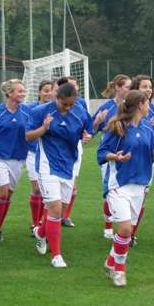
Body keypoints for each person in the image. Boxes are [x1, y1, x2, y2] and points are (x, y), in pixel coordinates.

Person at [98, 90, 154, 286]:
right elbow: (101, 152)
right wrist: (117, 157)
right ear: (140, 104)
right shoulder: (118, 127)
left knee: (127, 233)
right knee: (124, 229)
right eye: (147, 102)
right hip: (118, 186)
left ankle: (110, 261)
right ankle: (120, 271)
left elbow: (152, 154)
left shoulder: (148, 129)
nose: (149, 106)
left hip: (139, 186)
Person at [27, 82, 92, 268]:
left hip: (68, 166)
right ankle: (56, 255)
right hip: (47, 166)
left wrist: (86, 136)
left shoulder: (79, 111)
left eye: (71, 104)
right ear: (58, 98)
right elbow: (28, 136)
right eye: (65, 104)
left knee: (60, 210)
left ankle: (40, 233)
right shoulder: (41, 112)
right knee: (54, 208)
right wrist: (43, 129)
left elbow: (89, 130)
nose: (69, 108)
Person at [0, 79, 31, 245]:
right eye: (19, 91)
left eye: (23, 91)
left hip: (18, 158)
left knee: (8, 196)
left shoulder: (27, 112)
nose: (22, 93)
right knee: (3, 193)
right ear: (9, 93)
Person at [128, 75, 154, 246]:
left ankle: (131, 234)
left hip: (148, 161)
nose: (148, 89)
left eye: (150, 86)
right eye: (144, 86)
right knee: (124, 195)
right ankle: (119, 227)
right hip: (127, 160)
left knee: (141, 196)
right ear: (136, 89)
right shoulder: (127, 109)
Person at [92, 74, 131, 239]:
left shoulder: (131, 107)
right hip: (110, 155)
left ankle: (125, 223)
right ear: (117, 88)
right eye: (128, 87)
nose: (130, 90)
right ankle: (108, 226)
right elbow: (91, 132)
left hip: (128, 155)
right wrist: (97, 121)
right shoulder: (106, 107)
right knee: (110, 188)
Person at [55, 76, 93, 228]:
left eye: (75, 85)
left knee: (72, 187)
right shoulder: (52, 107)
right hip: (54, 150)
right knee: (52, 192)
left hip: (74, 147)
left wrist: (87, 134)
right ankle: (44, 223)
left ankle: (64, 216)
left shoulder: (81, 104)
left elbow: (88, 126)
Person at [26, 80, 54, 234]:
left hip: (50, 154)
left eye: (51, 90)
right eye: (45, 90)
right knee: (37, 189)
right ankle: (35, 223)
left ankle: (44, 223)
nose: (48, 93)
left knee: (47, 191)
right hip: (33, 152)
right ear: (39, 92)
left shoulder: (56, 109)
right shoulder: (31, 108)